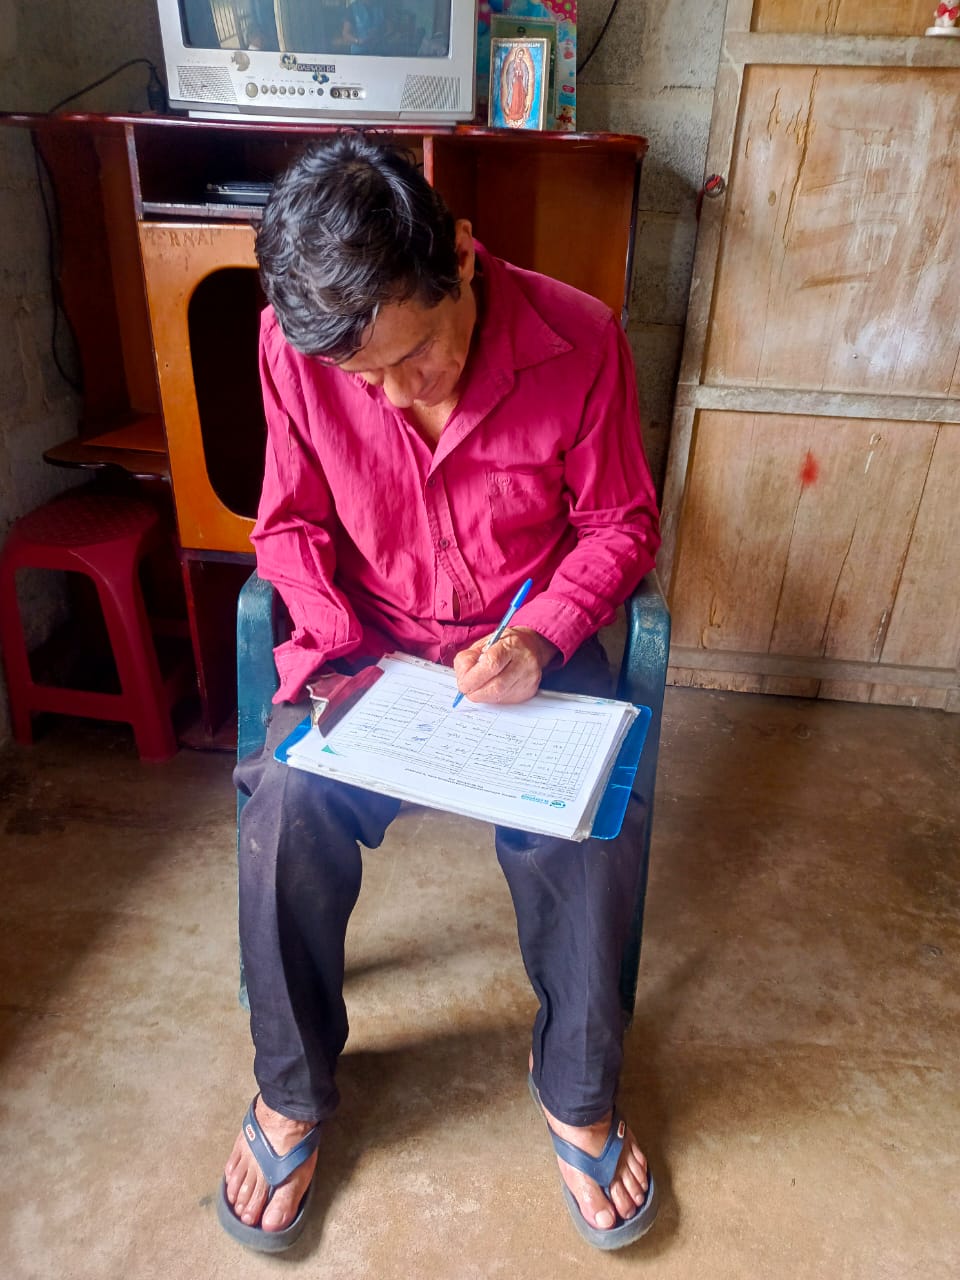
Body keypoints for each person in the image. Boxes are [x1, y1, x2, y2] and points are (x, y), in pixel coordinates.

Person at [218, 132, 662, 1254]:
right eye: (360, 379)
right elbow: (289, 525)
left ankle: (576, 1087)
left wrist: (543, 635)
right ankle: (292, 1086)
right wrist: (334, 654)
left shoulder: (580, 339)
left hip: (526, 648)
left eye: (414, 355)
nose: (391, 393)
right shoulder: (290, 348)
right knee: (284, 799)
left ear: (460, 256)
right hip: (367, 650)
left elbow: (620, 524)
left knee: (587, 822)